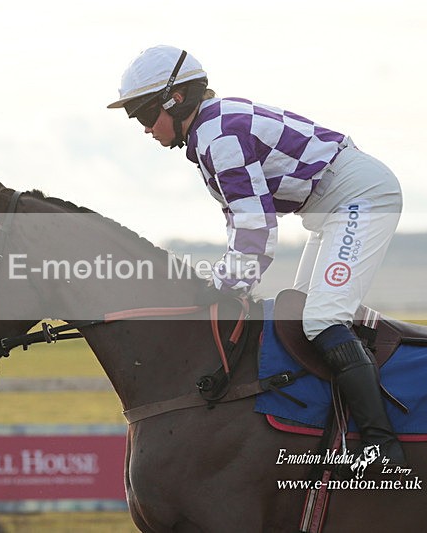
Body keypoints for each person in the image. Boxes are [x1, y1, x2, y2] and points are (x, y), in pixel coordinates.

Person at [107, 45, 406, 471]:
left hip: (360, 197)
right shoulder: (210, 131)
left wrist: (225, 290)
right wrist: (226, 283)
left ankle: (382, 447)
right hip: (333, 206)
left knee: (321, 319)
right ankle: (340, 430)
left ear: (175, 100)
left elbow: (257, 230)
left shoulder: (218, 135)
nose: (143, 128)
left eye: (142, 114)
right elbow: (240, 224)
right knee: (300, 322)